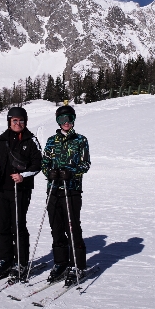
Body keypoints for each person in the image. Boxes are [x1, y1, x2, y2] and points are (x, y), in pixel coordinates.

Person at [0, 107, 42, 282]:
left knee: (18, 226)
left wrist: (23, 176)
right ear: (9, 121)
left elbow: (38, 164)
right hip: (2, 189)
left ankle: (21, 262)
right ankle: (6, 260)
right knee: (2, 227)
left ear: (25, 122)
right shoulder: (1, 140)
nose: (18, 123)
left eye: (21, 120)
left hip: (20, 190)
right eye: (14, 120)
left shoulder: (31, 140)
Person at [41, 105, 91, 286]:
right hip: (53, 190)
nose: (66, 123)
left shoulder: (80, 140)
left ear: (73, 119)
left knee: (72, 227)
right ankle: (61, 262)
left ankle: (78, 264)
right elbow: (44, 163)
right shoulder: (51, 141)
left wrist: (71, 173)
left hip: (72, 190)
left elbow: (86, 164)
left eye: (69, 119)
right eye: (62, 120)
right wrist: (50, 173)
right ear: (58, 122)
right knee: (56, 228)